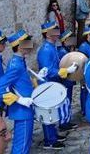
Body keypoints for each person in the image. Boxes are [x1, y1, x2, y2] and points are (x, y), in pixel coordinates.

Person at [0, 30, 35, 154]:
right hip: (22, 110)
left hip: (26, 109)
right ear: (19, 46)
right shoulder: (16, 64)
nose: (30, 44)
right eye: (27, 42)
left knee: (25, 144)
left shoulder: (20, 61)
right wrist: (19, 99)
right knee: (21, 147)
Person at [37, 21, 75, 149]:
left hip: (54, 83)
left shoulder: (52, 46)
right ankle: (50, 140)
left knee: (52, 112)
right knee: (48, 113)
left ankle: (53, 135)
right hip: (48, 84)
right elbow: (47, 70)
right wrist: (65, 71)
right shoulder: (45, 50)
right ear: (47, 34)